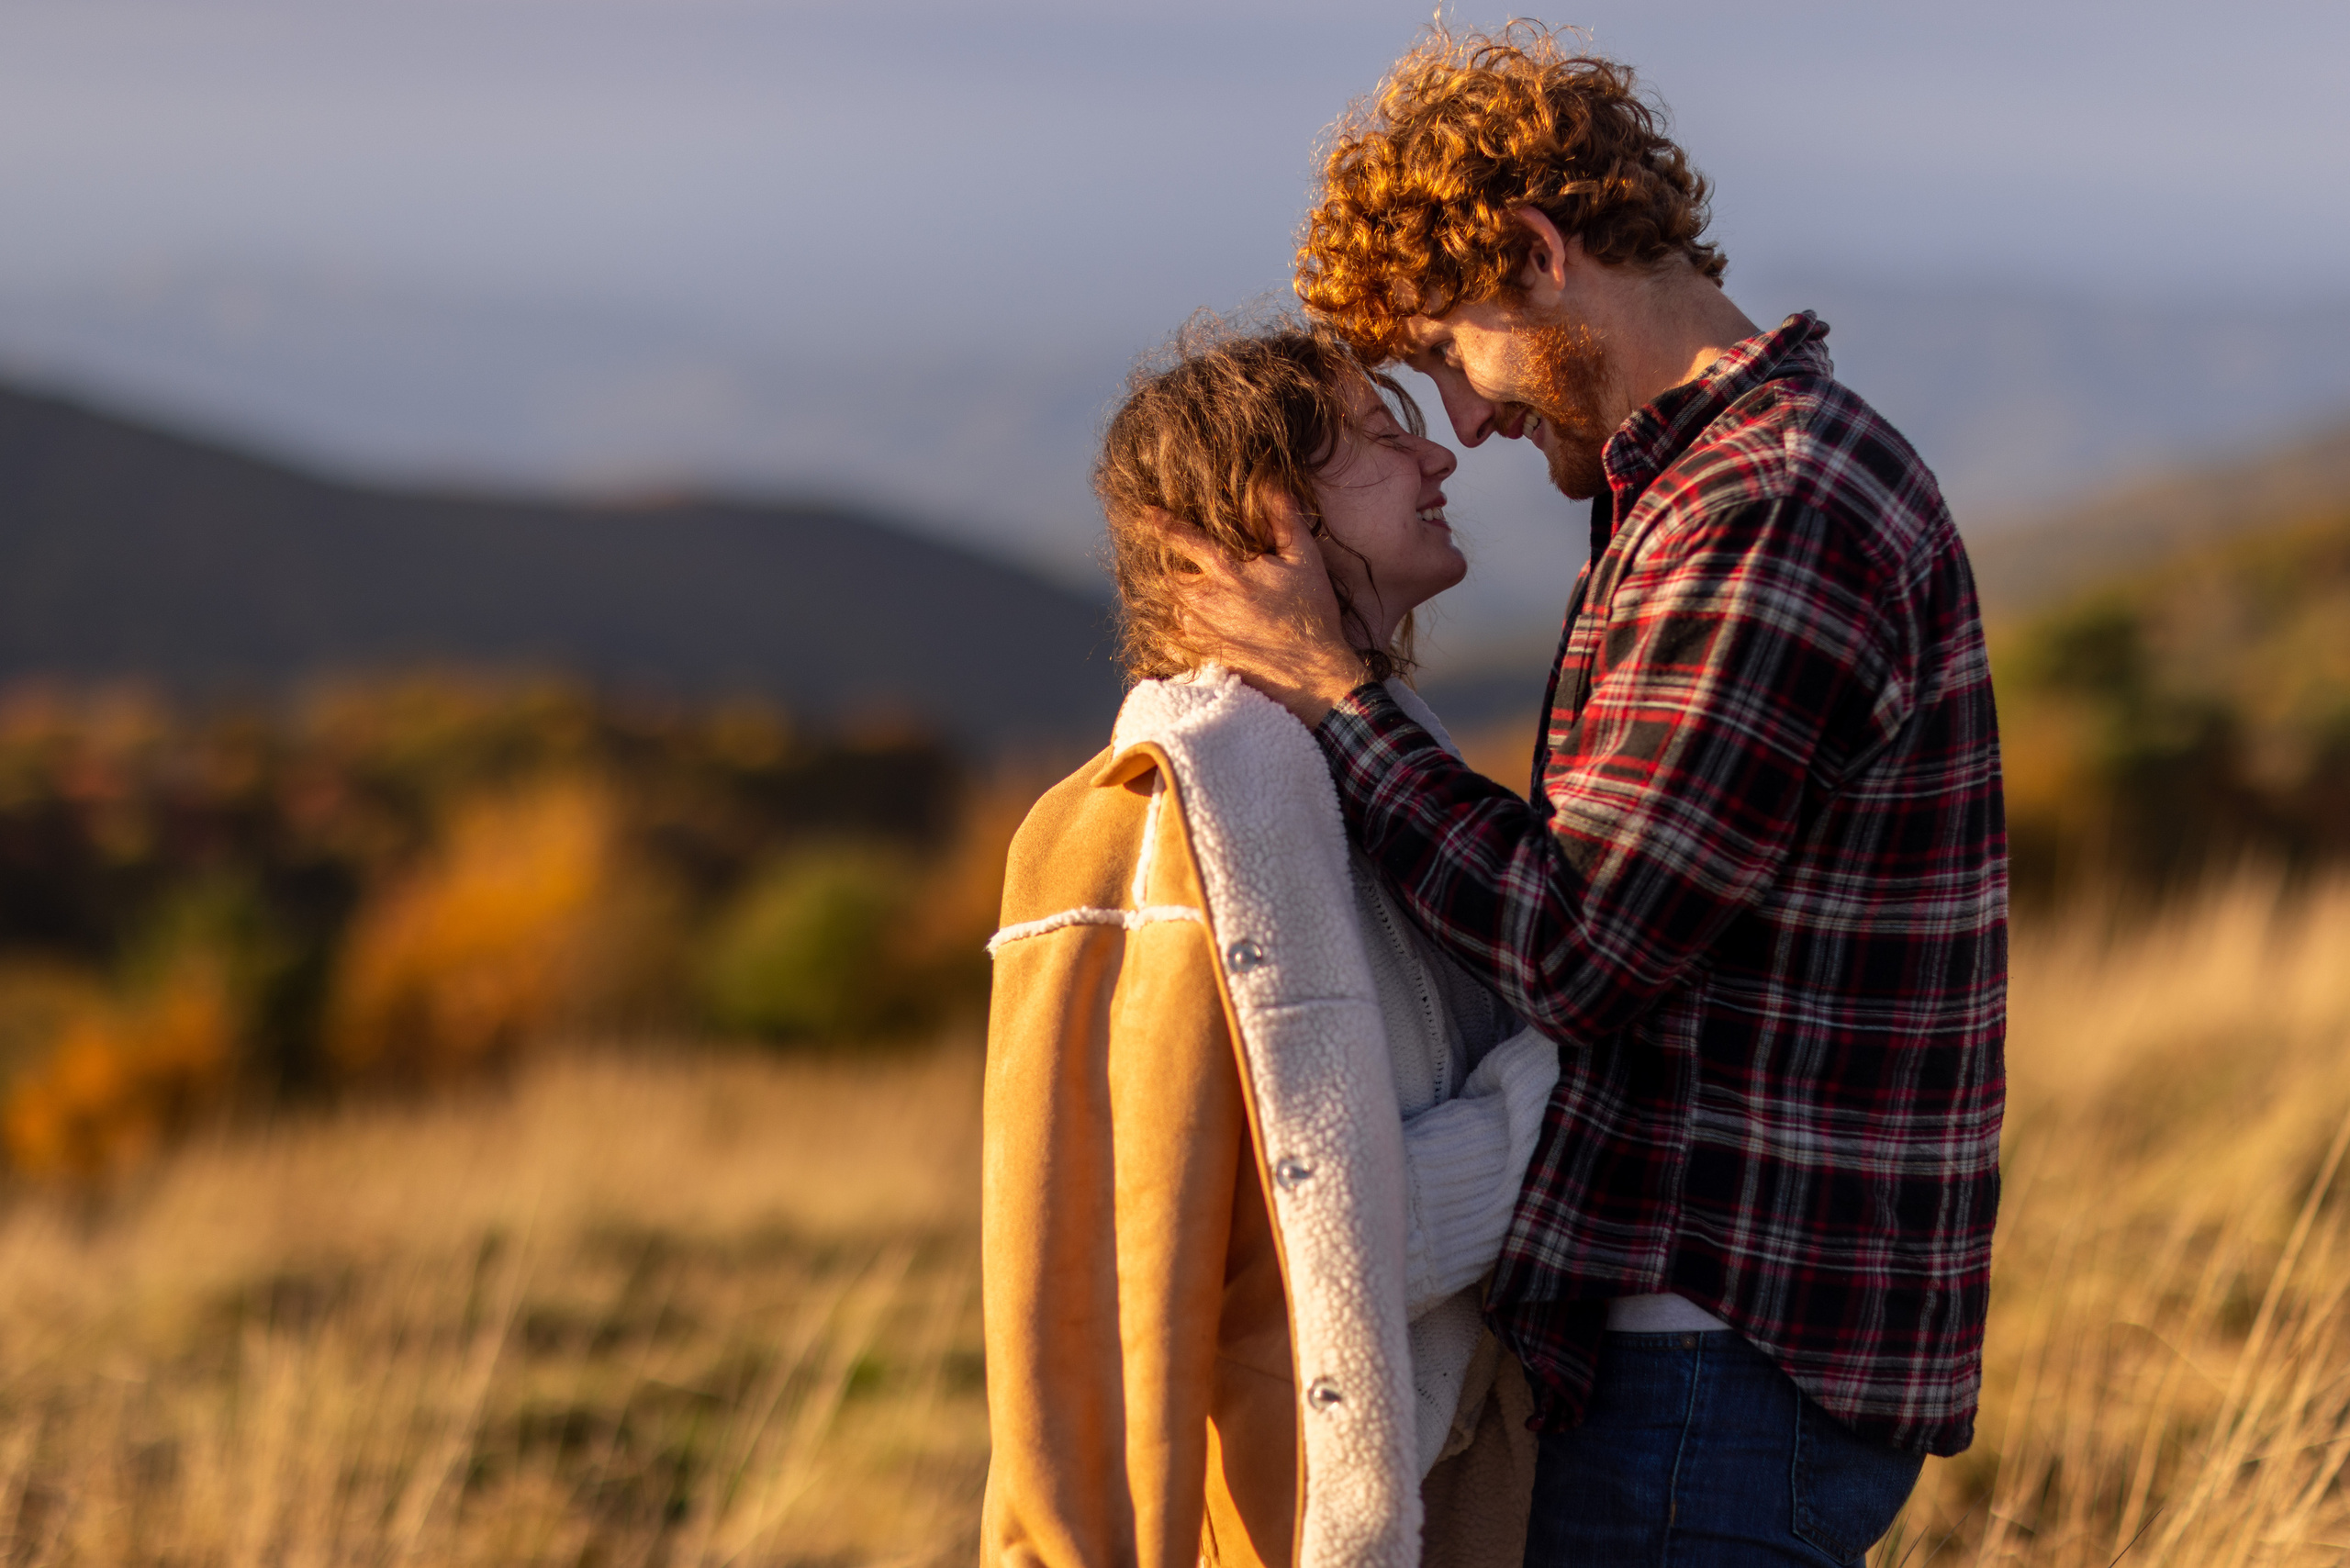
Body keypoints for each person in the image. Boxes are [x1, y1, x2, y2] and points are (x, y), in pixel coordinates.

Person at [1167, 25, 2009, 1567]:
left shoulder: (1764, 510)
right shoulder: (1727, 488)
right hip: (1728, 1347)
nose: (1468, 424)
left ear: (1538, 254)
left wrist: (1338, 694)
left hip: (1715, 1359)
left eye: (1448, 355)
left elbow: (1579, 947)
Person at [979, 320, 1562, 1568]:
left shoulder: (1372, 758)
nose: (1437, 461)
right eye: (1377, 437)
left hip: (1446, 1483)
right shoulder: (1174, 812)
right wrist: (1569, 1090)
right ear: (1270, 514)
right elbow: (1292, 1241)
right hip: (1285, 1519)